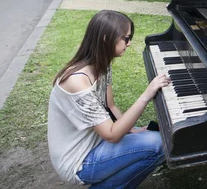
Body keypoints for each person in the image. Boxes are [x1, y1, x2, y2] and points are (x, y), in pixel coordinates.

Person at [47, 10, 171, 188]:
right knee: (158, 143)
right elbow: (112, 135)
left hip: (95, 141)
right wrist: (147, 94)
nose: (129, 43)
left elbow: (110, 106)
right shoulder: (77, 81)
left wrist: (133, 132)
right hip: (78, 160)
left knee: (158, 139)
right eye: (126, 38)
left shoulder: (101, 65)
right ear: (106, 38)